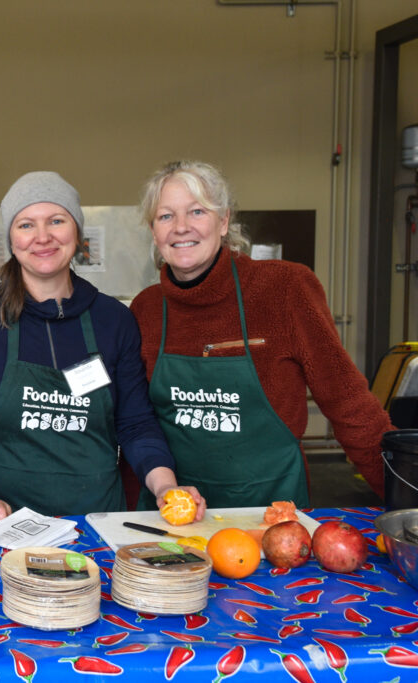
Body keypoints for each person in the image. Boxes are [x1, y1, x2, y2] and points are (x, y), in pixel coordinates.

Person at [0, 171, 203, 528]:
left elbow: (135, 425)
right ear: (11, 237)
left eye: (57, 220)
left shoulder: (113, 320)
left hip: (97, 524)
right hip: (0, 527)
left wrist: (165, 487)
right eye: (26, 224)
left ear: (77, 231)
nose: (43, 237)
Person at [130, 160, 393, 508]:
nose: (181, 227)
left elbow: (349, 402)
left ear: (223, 221)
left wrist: (404, 496)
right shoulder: (146, 309)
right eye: (165, 216)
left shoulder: (285, 289)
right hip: (174, 513)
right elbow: (136, 421)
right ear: (154, 231)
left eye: (196, 212)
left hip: (270, 513)